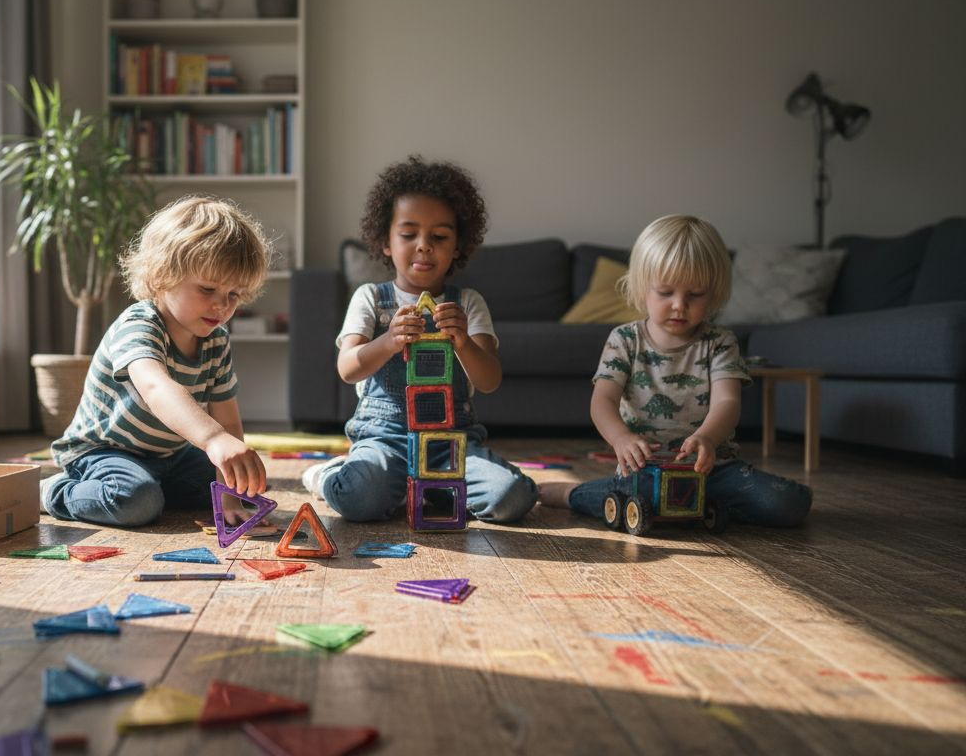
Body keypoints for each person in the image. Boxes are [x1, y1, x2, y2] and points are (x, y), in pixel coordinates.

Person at [302, 156, 537, 523]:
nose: (424, 245)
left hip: (451, 442)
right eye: (409, 234)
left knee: (511, 497)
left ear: (458, 245)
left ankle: (436, 491)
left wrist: (462, 342)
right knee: (360, 498)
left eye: (439, 236)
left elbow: (489, 381)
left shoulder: (469, 303)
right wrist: (388, 342)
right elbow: (347, 369)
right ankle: (328, 475)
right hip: (384, 436)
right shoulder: (370, 298)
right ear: (385, 242)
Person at [538, 214, 812, 526]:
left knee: (787, 503)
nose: (679, 305)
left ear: (714, 292)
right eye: (666, 292)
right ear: (643, 287)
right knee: (629, 498)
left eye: (695, 294)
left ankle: (691, 506)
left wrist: (707, 438)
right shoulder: (624, 340)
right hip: (644, 471)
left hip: (712, 470)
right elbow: (602, 401)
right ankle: (574, 494)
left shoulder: (719, 342)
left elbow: (728, 402)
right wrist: (621, 439)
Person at [41, 195, 277, 530]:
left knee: (243, 480)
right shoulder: (138, 325)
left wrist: (229, 497)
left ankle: (157, 487)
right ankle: (55, 491)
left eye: (233, 295)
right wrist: (212, 440)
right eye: (208, 288)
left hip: (168, 456)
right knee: (136, 501)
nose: (221, 306)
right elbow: (156, 386)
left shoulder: (216, 340)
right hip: (104, 452)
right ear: (164, 275)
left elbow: (228, 419)